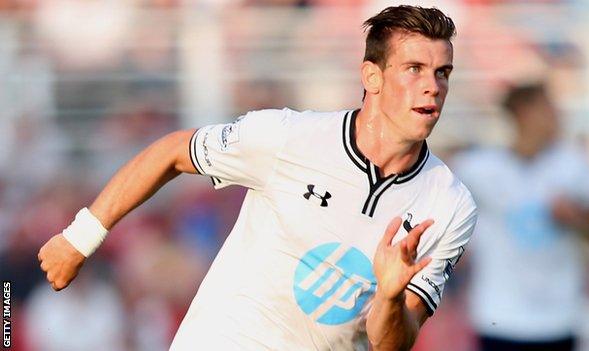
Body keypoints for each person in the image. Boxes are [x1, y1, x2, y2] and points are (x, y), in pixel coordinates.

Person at [38, 6, 477, 350]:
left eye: (443, 72)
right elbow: (174, 152)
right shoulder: (288, 137)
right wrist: (80, 238)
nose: (433, 86)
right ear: (372, 77)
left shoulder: (450, 204)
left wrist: (390, 296)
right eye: (414, 68)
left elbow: (391, 344)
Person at [453, 83, 589, 351]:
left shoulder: (572, 165)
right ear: (523, 113)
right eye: (548, 107)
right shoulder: (479, 168)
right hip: (499, 316)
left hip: (559, 318)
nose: (557, 115)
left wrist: (577, 216)